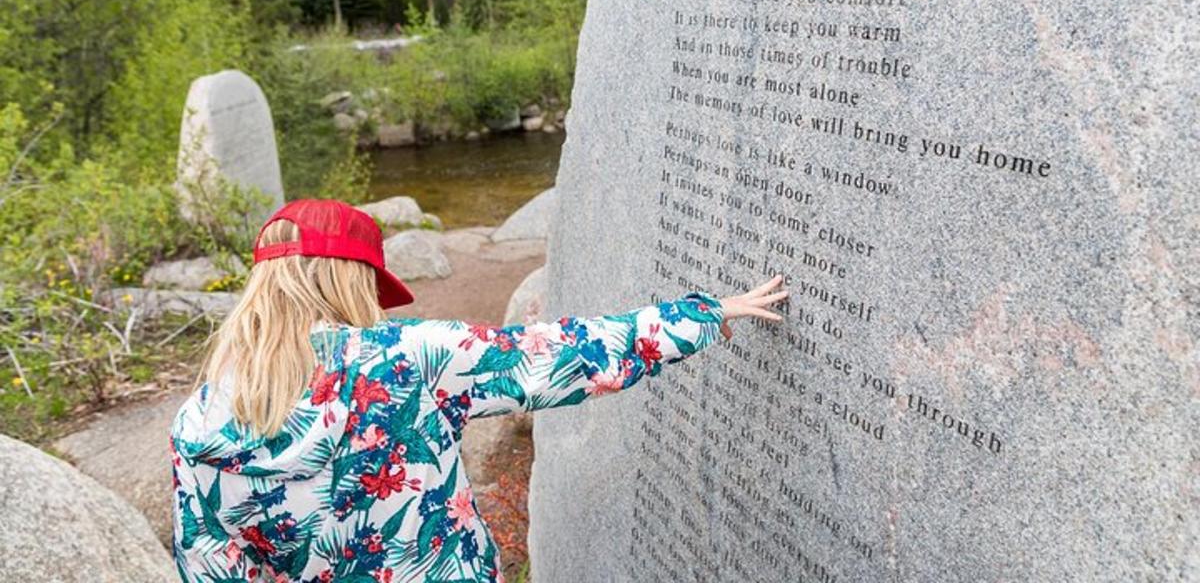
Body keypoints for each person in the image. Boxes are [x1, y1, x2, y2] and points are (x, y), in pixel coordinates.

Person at [170, 198, 788, 583]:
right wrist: (704, 315)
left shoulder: (196, 423)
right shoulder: (409, 359)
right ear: (349, 281)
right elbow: (559, 356)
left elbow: (210, 567)